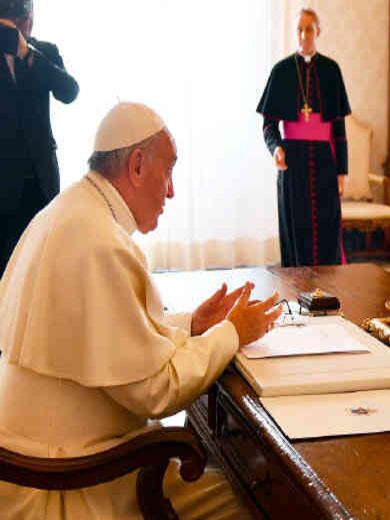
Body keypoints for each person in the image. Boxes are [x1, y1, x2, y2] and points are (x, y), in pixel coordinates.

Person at [0, 102, 282, 519]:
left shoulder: (70, 213)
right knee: (254, 504)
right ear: (136, 165)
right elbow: (157, 391)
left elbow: (99, 331)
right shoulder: (102, 242)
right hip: (68, 484)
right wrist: (233, 333)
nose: (171, 191)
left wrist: (193, 323)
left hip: (36, 460)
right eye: (168, 172)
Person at [256, 6, 351, 267]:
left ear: (318, 31)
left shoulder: (331, 71)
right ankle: (297, 290)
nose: (304, 34)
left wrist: (342, 171)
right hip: (293, 162)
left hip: (324, 162)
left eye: (309, 29)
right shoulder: (282, 71)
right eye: (299, 29)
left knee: (326, 229)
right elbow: (268, 125)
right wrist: (275, 149)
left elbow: (339, 128)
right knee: (295, 227)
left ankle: (329, 289)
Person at [0, 0, 78, 275]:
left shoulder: (44, 52)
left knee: (43, 259)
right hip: (3, 180)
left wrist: (27, 53)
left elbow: (69, 91)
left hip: (41, 178)